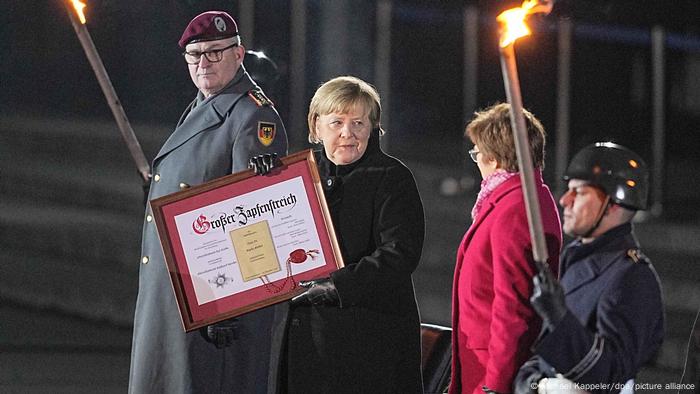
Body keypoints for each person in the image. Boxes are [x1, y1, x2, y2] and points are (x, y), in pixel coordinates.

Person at [128, 11, 288, 394]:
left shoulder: (252, 116)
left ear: (239, 54)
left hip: (211, 300)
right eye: (195, 55)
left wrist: (231, 305)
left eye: (215, 52)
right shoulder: (205, 104)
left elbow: (253, 221)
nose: (204, 63)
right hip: (179, 291)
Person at [260, 76, 425, 394]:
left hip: (368, 347)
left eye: (358, 123)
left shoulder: (392, 178)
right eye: (337, 122)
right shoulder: (294, 177)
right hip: (306, 342)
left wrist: (337, 286)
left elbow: (400, 253)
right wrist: (258, 184)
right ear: (317, 127)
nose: (347, 133)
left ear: (373, 127)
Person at [514, 142, 665, 394]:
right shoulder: (575, 259)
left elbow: (612, 374)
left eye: (580, 192)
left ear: (613, 203)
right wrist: (537, 384)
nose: (564, 200)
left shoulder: (632, 277)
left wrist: (559, 318)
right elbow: (538, 357)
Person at [450, 103, 563, 394]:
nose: (475, 161)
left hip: (491, 368)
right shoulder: (518, 199)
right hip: (484, 361)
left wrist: (494, 385)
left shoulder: (514, 209)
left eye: (477, 153)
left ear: (496, 159)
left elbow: (512, 308)